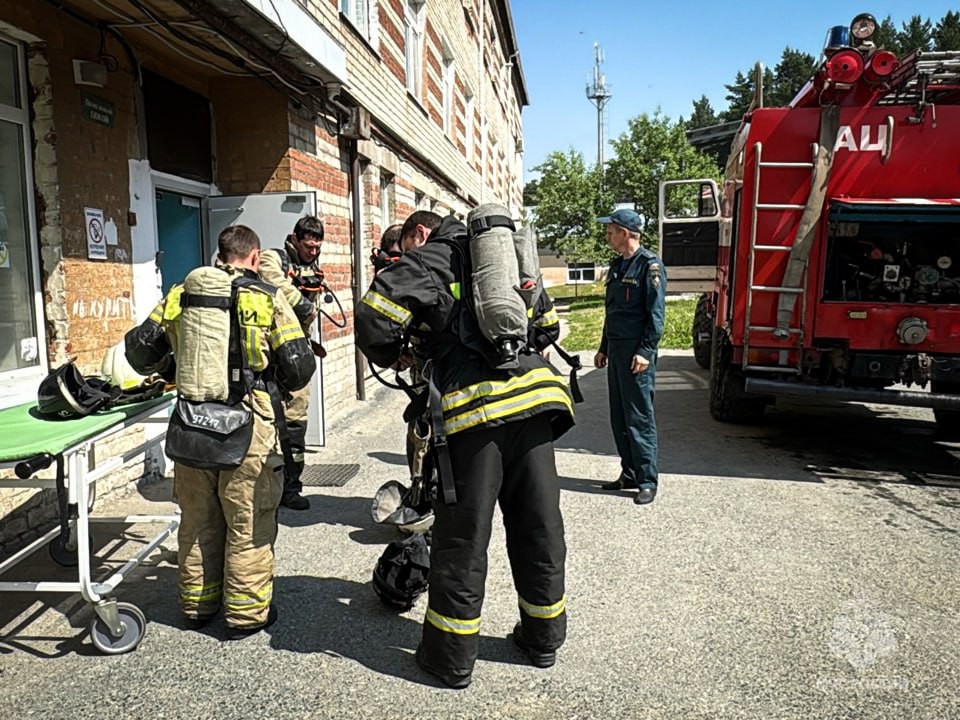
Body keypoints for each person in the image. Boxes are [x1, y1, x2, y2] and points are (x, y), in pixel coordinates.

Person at [355, 210, 574, 689]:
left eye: (405, 245)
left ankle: (449, 659)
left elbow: (372, 317)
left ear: (421, 233)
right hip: (536, 405)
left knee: (462, 539)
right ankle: (543, 639)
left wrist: (400, 353)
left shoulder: (430, 258)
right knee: (539, 527)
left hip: (474, 418)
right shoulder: (511, 256)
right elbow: (548, 327)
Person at [125, 225, 315, 638]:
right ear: (254, 257)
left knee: (197, 521)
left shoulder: (181, 294)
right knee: (248, 523)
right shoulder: (267, 297)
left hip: (192, 425)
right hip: (249, 427)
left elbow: (139, 352)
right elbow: (300, 368)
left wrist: (173, 365)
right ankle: (246, 615)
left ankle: (197, 606)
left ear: (220, 254)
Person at [593, 209, 667, 505]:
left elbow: (656, 315)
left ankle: (647, 480)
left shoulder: (649, 266)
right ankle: (630, 473)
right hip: (617, 350)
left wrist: (645, 351)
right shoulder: (617, 265)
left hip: (636, 354)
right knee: (620, 416)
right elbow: (613, 311)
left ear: (625, 233)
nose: (607, 236)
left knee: (639, 417)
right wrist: (603, 347)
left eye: (611, 231)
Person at [259, 215, 327, 510]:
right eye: (308, 246)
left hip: (298, 357)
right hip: (270, 358)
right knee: (266, 423)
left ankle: (291, 487)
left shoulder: (313, 267)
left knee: (296, 422)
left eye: (317, 247)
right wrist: (303, 304)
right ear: (295, 239)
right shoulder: (273, 258)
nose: (313, 252)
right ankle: (266, 487)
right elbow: (271, 281)